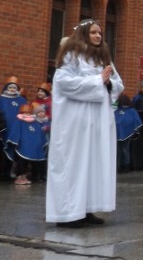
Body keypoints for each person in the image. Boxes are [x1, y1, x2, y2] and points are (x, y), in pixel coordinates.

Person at [46, 19, 123, 227]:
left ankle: (87, 208)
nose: (98, 36)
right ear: (83, 34)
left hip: (97, 122)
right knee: (74, 164)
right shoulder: (72, 55)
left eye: (100, 33)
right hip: (75, 122)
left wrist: (108, 83)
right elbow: (63, 82)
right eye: (93, 33)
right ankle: (68, 213)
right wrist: (98, 81)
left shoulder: (103, 58)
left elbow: (118, 84)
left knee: (93, 164)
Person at [8, 103, 48, 185]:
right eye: (26, 113)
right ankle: (20, 177)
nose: (28, 114)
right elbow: (15, 133)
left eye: (29, 113)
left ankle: (28, 176)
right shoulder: (19, 122)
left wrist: (41, 143)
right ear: (22, 113)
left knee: (33, 162)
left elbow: (40, 134)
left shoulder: (36, 123)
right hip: (22, 146)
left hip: (34, 146)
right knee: (22, 162)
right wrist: (14, 141)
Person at [0, 77, 26, 181]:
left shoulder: (21, 100)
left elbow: (25, 114)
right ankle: (2, 174)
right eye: (10, 87)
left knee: (16, 152)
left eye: (14, 87)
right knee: (3, 152)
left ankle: (11, 173)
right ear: (6, 88)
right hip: (4, 130)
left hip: (17, 132)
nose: (12, 89)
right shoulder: (0, 99)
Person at [114, 94, 143, 174]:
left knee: (124, 150)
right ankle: (119, 166)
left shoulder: (131, 111)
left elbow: (136, 121)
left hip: (127, 133)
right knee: (119, 150)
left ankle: (126, 166)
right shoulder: (117, 111)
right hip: (118, 133)